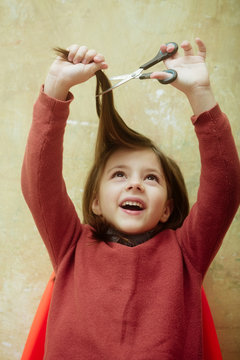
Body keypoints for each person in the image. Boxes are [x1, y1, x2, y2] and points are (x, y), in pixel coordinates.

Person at [21, 38, 240, 359]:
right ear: (95, 202)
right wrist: (55, 89)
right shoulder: (71, 244)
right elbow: (39, 181)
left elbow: (225, 188)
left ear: (167, 208)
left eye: (150, 178)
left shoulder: (187, 252)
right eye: (119, 175)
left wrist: (200, 94)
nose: (135, 184)